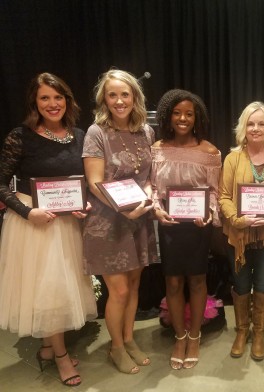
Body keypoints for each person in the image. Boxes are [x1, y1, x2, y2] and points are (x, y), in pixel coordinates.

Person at [0, 73, 97, 387]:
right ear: (35, 102)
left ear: (67, 100)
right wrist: (28, 212)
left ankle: (47, 346)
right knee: (50, 290)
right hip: (36, 225)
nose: (53, 104)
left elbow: (84, 183)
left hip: (68, 224)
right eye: (45, 98)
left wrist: (85, 205)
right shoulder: (21, 136)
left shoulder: (80, 136)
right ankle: (60, 356)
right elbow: (1, 185)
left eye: (58, 97)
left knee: (60, 288)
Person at [82, 69, 158, 374]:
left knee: (135, 284)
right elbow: (94, 183)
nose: (119, 100)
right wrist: (122, 209)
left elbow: (149, 176)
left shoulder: (146, 132)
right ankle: (115, 348)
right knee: (120, 291)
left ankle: (128, 340)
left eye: (124, 94)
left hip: (139, 219)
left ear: (135, 97)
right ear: (104, 99)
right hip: (108, 222)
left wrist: (150, 193)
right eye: (112, 95)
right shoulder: (96, 132)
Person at [151, 89, 221, 370]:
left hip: (197, 225)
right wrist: (156, 208)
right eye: (177, 113)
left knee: (197, 280)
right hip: (169, 224)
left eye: (189, 114)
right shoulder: (156, 149)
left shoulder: (210, 151)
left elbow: (215, 192)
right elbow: (153, 188)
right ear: (168, 116)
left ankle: (194, 334)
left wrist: (210, 213)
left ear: (197, 118)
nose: (183, 118)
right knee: (173, 282)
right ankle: (179, 336)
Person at [219, 101, 264, 361]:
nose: (256, 128)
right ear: (243, 127)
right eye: (251, 123)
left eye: (261, 123)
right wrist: (237, 219)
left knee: (262, 284)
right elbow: (224, 196)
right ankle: (242, 331)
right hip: (239, 235)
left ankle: (258, 333)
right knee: (240, 284)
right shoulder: (232, 158)